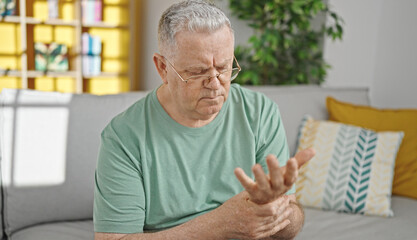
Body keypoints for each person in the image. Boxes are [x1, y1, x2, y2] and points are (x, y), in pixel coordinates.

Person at [94, 1, 315, 239]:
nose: (214, 83)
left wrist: (277, 211)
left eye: (224, 67)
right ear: (162, 68)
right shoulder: (124, 136)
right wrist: (221, 223)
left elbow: (288, 227)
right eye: (197, 72)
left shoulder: (260, 113)